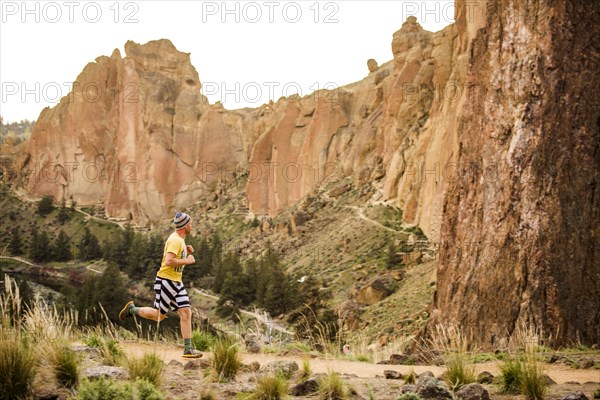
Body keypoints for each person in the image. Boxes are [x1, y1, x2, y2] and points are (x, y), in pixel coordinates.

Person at [119, 212, 201, 358]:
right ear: (185, 226)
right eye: (190, 223)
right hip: (166, 281)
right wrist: (187, 260)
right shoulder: (175, 240)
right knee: (159, 316)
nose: (192, 226)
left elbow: (174, 257)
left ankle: (188, 349)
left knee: (186, 312)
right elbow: (169, 261)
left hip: (176, 282)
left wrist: (184, 252)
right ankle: (132, 310)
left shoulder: (180, 241)